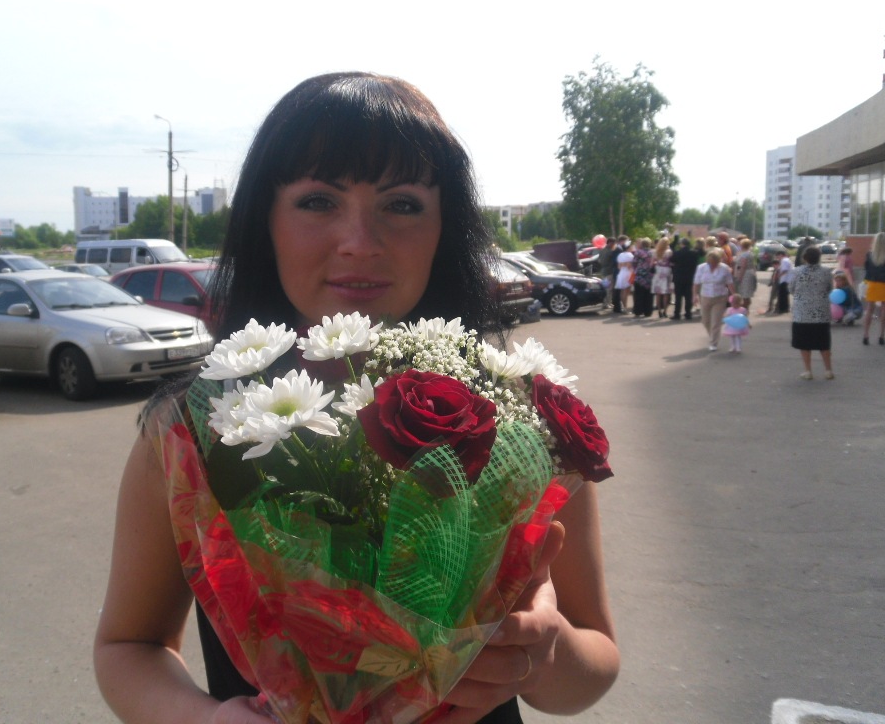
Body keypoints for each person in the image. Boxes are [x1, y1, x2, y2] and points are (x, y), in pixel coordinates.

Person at [93, 72, 619, 724]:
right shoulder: (190, 429)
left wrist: (545, 653)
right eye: (318, 201)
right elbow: (128, 645)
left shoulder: (520, 420)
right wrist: (205, 719)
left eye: (402, 205)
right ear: (265, 221)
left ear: (445, 227)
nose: (360, 242)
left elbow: (596, 662)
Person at [791, 245, 834, 380]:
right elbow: (830, 288)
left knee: (804, 344)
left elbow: (791, 288)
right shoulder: (826, 272)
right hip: (821, 312)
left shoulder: (797, 272)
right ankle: (828, 370)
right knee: (824, 343)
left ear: (804, 258)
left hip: (802, 313)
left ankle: (808, 371)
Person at [693, 248, 734, 352]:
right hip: (705, 296)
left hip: (720, 297)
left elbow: (729, 283)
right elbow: (696, 283)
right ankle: (713, 336)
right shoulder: (701, 268)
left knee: (716, 322)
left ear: (718, 261)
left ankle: (713, 343)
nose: (713, 265)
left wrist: (734, 295)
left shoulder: (724, 268)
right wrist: (694, 295)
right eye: (710, 263)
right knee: (705, 321)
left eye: (715, 263)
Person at [861, 232, 885, 345]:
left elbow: (866, 268)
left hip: (872, 283)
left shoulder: (869, 255)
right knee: (884, 310)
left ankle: (866, 335)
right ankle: (881, 336)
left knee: (869, 310)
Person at [668, 237, 698, 320]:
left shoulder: (677, 253)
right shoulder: (694, 253)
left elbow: (671, 260)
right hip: (690, 276)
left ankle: (677, 313)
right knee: (688, 296)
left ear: (682, 244)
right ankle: (688, 313)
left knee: (678, 296)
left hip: (679, 276)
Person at [630, 238, 654, 318]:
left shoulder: (638, 252)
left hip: (640, 275)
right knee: (649, 295)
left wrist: (636, 269)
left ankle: (638, 311)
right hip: (649, 275)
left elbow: (634, 263)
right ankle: (648, 311)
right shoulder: (652, 252)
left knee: (638, 294)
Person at [651, 236, 673, 318]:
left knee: (658, 293)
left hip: (658, 271)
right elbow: (672, 262)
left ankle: (659, 310)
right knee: (666, 293)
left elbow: (652, 263)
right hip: (667, 271)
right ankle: (665, 311)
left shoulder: (656, 252)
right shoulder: (669, 252)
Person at [733, 238, 758, 309]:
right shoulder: (749, 253)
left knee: (745, 293)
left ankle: (744, 309)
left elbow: (743, 266)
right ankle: (745, 308)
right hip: (749, 273)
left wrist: (740, 277)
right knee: (746, 293)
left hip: (745, 274)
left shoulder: (745, 254)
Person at [598, 236, 618, 310]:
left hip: (603, 271)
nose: (614, 245)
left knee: (606, 287)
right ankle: (606, 303)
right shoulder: (610, 252)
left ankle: (607, 303)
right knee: (609, 288)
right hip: (609, 271)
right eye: (614, 243)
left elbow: (599, 260)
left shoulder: (602, 250)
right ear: (610, 243)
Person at [614, 248, 634, 314]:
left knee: (622, 291)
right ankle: (625, 308)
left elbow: (619, 267)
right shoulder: (630, 256)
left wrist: (623, 265)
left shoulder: (620, 255)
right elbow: (629, 266)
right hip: (628, 274)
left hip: (621, 274)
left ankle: (623, 307)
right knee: (626, 292)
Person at [773, 250, 793, 314]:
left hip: (784, 280)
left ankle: (782, 309)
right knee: (785, 295)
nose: (777, 258)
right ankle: (786, 308)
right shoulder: (787, 260)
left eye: (777, 256)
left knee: (782, 295)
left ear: (781, 255)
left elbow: (784, 270)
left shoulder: (784, 260)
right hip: (787, 280)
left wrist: (779, 275)